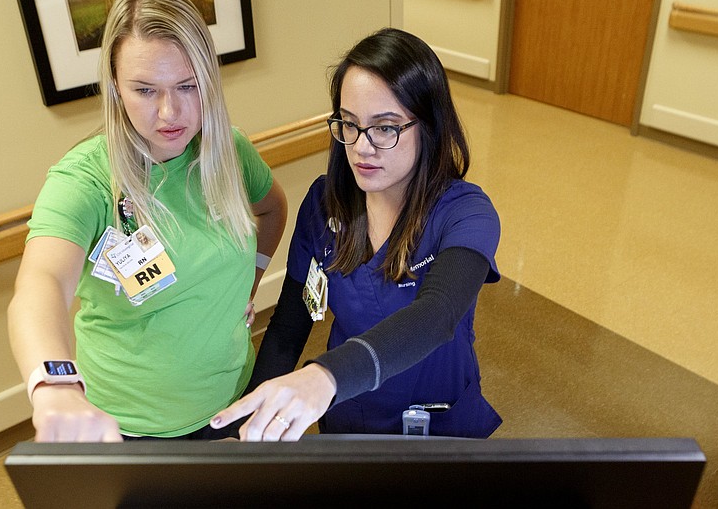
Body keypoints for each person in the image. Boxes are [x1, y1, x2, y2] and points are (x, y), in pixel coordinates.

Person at [7, 0, 287, 442]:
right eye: (144, 90)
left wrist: (251, 280)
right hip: (130, 427)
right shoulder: (85, 182)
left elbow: (272, 209)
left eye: (187, 85)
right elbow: (41, 284)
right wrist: (54, 386)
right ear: (115, 86)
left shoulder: (228, 151)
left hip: (232, 400)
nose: (169, 112)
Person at [212, 27, 501, 441]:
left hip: (438, 424)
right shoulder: (325, 204)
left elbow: (436, 316)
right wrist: (248, 420)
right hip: (353, 417)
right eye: (349, 124)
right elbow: (292, 324)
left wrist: (325, 376)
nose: (361, 147)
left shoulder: (465, 212)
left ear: (429, 125)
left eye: (385, 128)